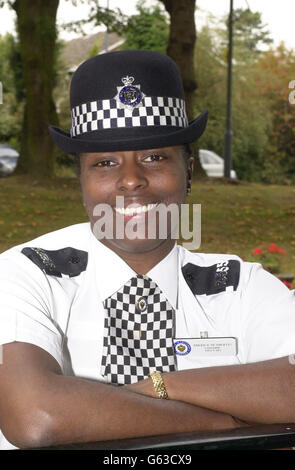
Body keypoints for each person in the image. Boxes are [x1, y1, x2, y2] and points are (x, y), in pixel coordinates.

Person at [0, 50, 295, 451]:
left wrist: (161, 386)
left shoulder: (239, 287)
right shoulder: (29, 273)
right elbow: (36, 418)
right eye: (105, 163)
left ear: (188, 173)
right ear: (82, 181)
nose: (131, 181)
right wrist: (224, 423)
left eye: (155, 157)